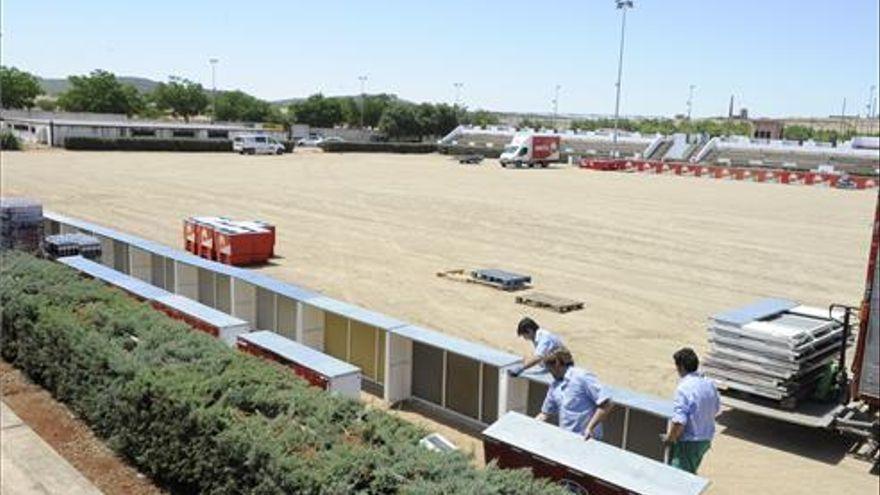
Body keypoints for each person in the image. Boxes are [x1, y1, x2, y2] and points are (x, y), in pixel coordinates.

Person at [662, 347, 720, 474]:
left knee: (679, 478)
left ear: (681, 367)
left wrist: (670, 439)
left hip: (689, 443)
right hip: (705, 440)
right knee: (689, 472)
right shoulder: (709, 384)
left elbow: (679, 422)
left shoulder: (684, 388)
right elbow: (715, 409)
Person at [535, 347, 614, 440]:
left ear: (557, 364)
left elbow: (607, 404)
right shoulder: (555, 385)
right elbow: (545, 414)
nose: (549, 372)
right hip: (566, 439)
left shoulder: (582, 377)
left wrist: (590, 428)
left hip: (587, 440)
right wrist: (530, 425)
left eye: (549, 369)